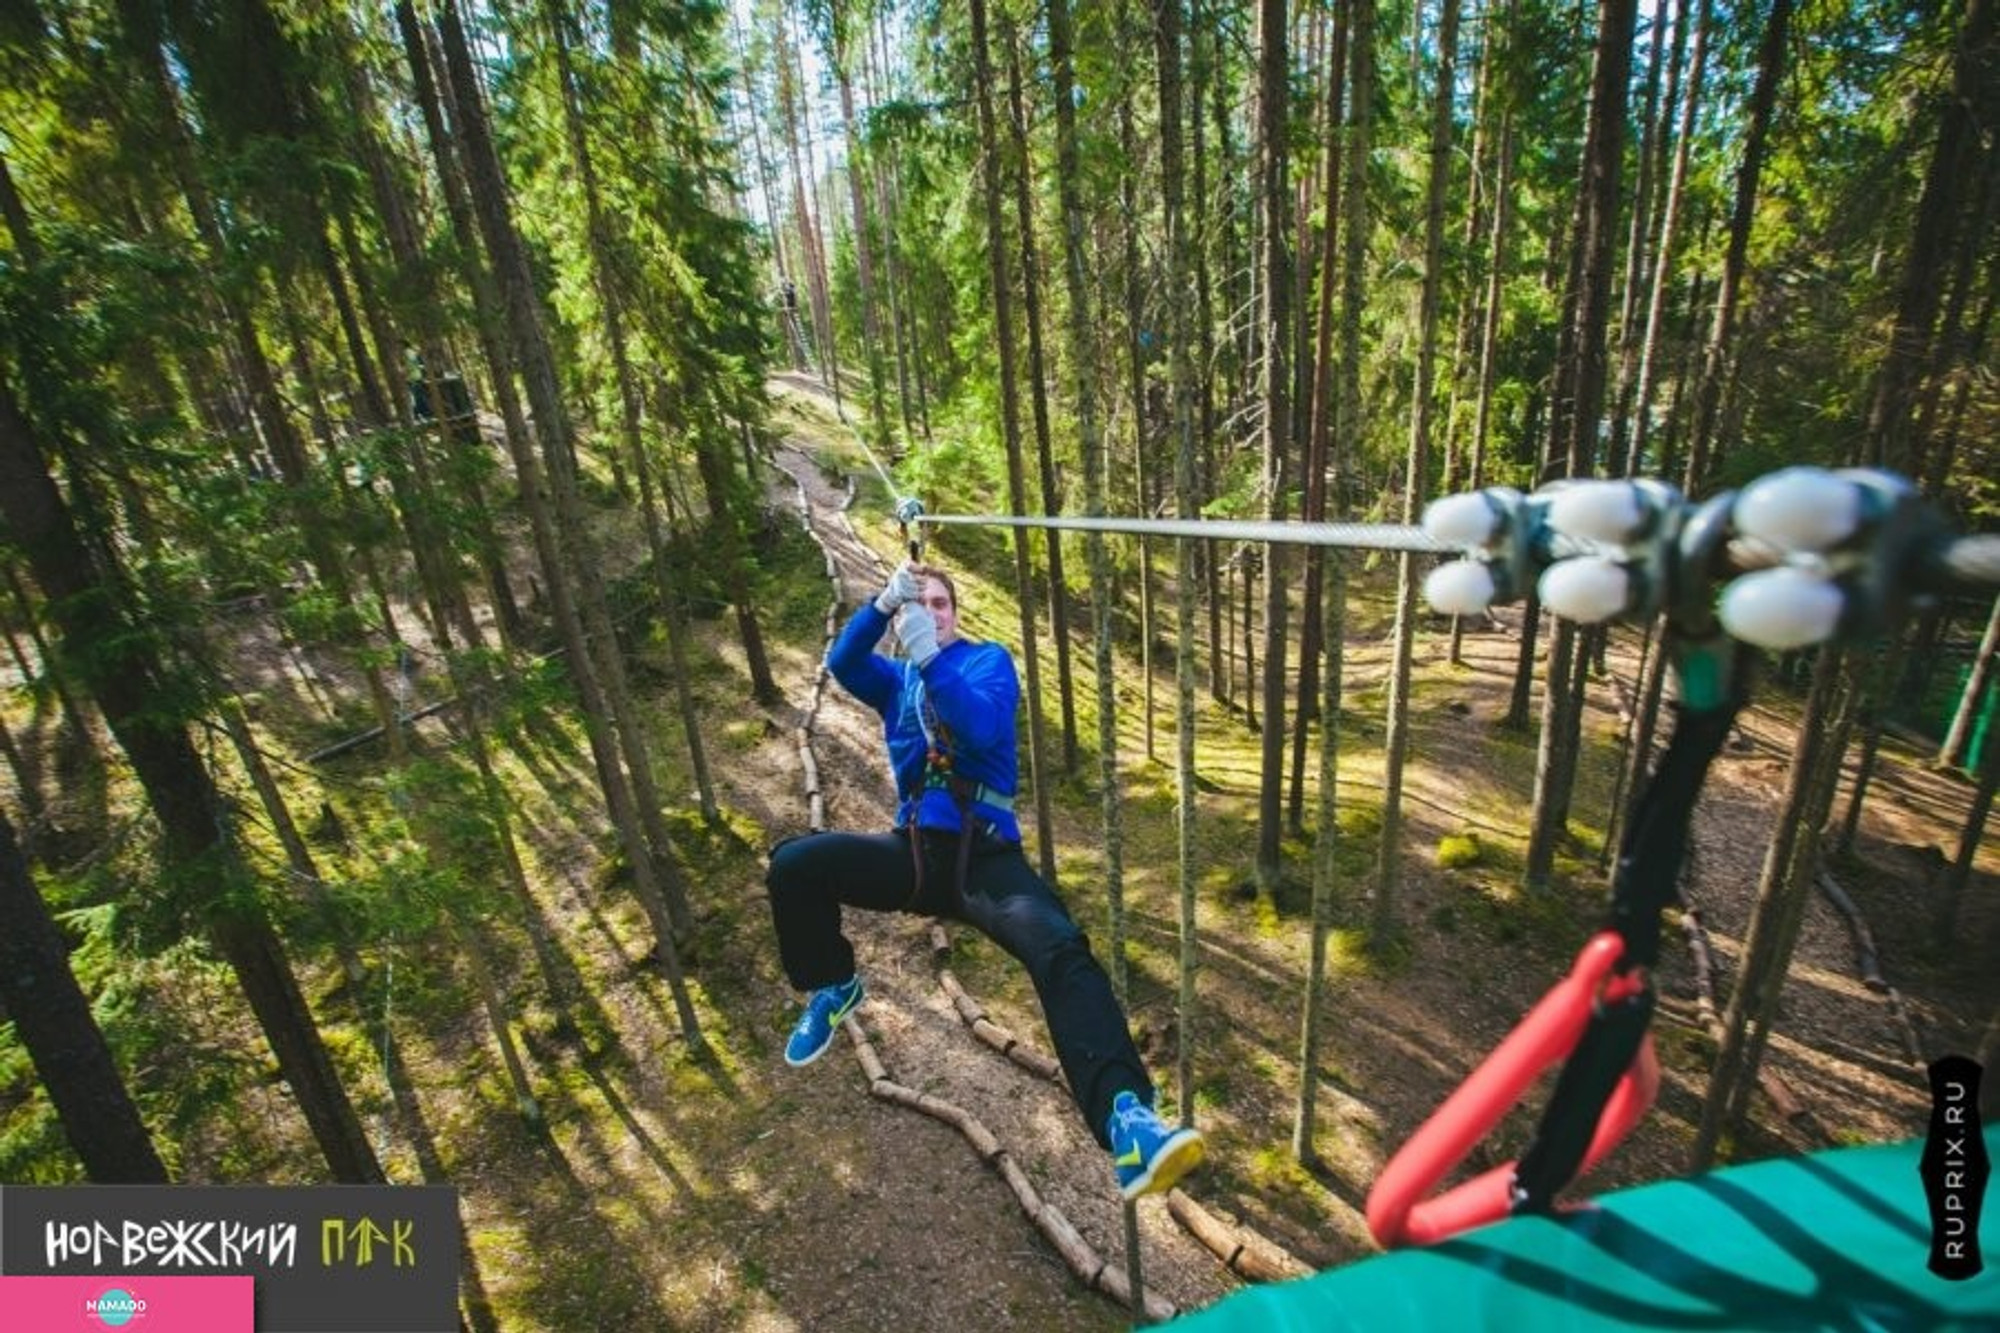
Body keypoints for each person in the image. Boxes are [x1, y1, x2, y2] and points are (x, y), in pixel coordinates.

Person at [766, 561, 1205, 1199]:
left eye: (941, 603)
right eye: (924, 603)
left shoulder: (985, 663)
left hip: (987, 857)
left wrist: (927, 651)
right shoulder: (897, 683)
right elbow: (843, 661)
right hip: (916, 853)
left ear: (955, 614)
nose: (933, 612)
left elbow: (977, 726)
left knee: (1058, 950)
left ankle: (1126, 1117)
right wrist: (884, 604)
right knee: (794, 866)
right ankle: (832, 983)